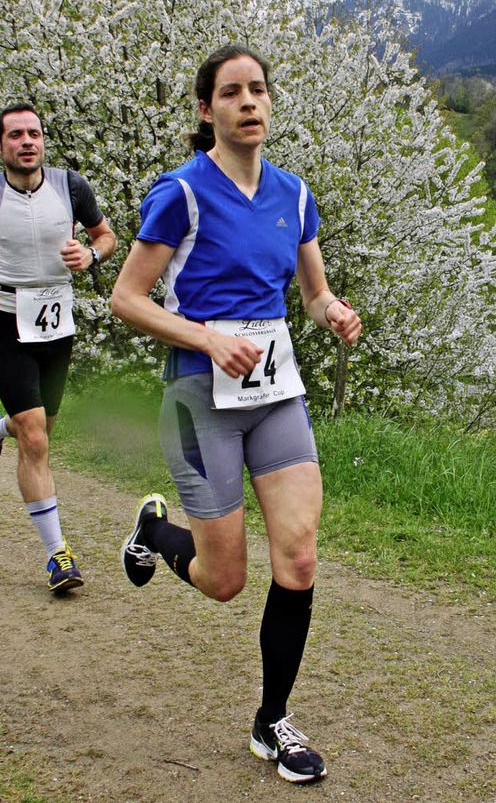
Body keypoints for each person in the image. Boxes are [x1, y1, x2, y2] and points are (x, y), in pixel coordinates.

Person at [111, 44, 361, 783]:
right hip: (200, 401)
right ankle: (154, 530)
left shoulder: (295, 194)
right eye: (231, 92)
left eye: (258, 90)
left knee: (300, 555)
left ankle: (271, 722)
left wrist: (334, 312)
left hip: (276, 395)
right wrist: (206, 337)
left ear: (270, 103)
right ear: (206, 109)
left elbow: (312, 295)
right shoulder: (182, 195)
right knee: (225, 580)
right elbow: (126, 298)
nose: (248, 102)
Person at [0, 103, 116, 593]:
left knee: (36, 430)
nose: (27, 142)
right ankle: (58, 555)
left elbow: (107, 237)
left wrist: (91, 253)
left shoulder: (71, 187)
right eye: (15, 135)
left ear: (43, 140)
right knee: (35, 438)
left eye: (34, 133)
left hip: (58, 325)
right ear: (0, 147)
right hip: (8, 322)